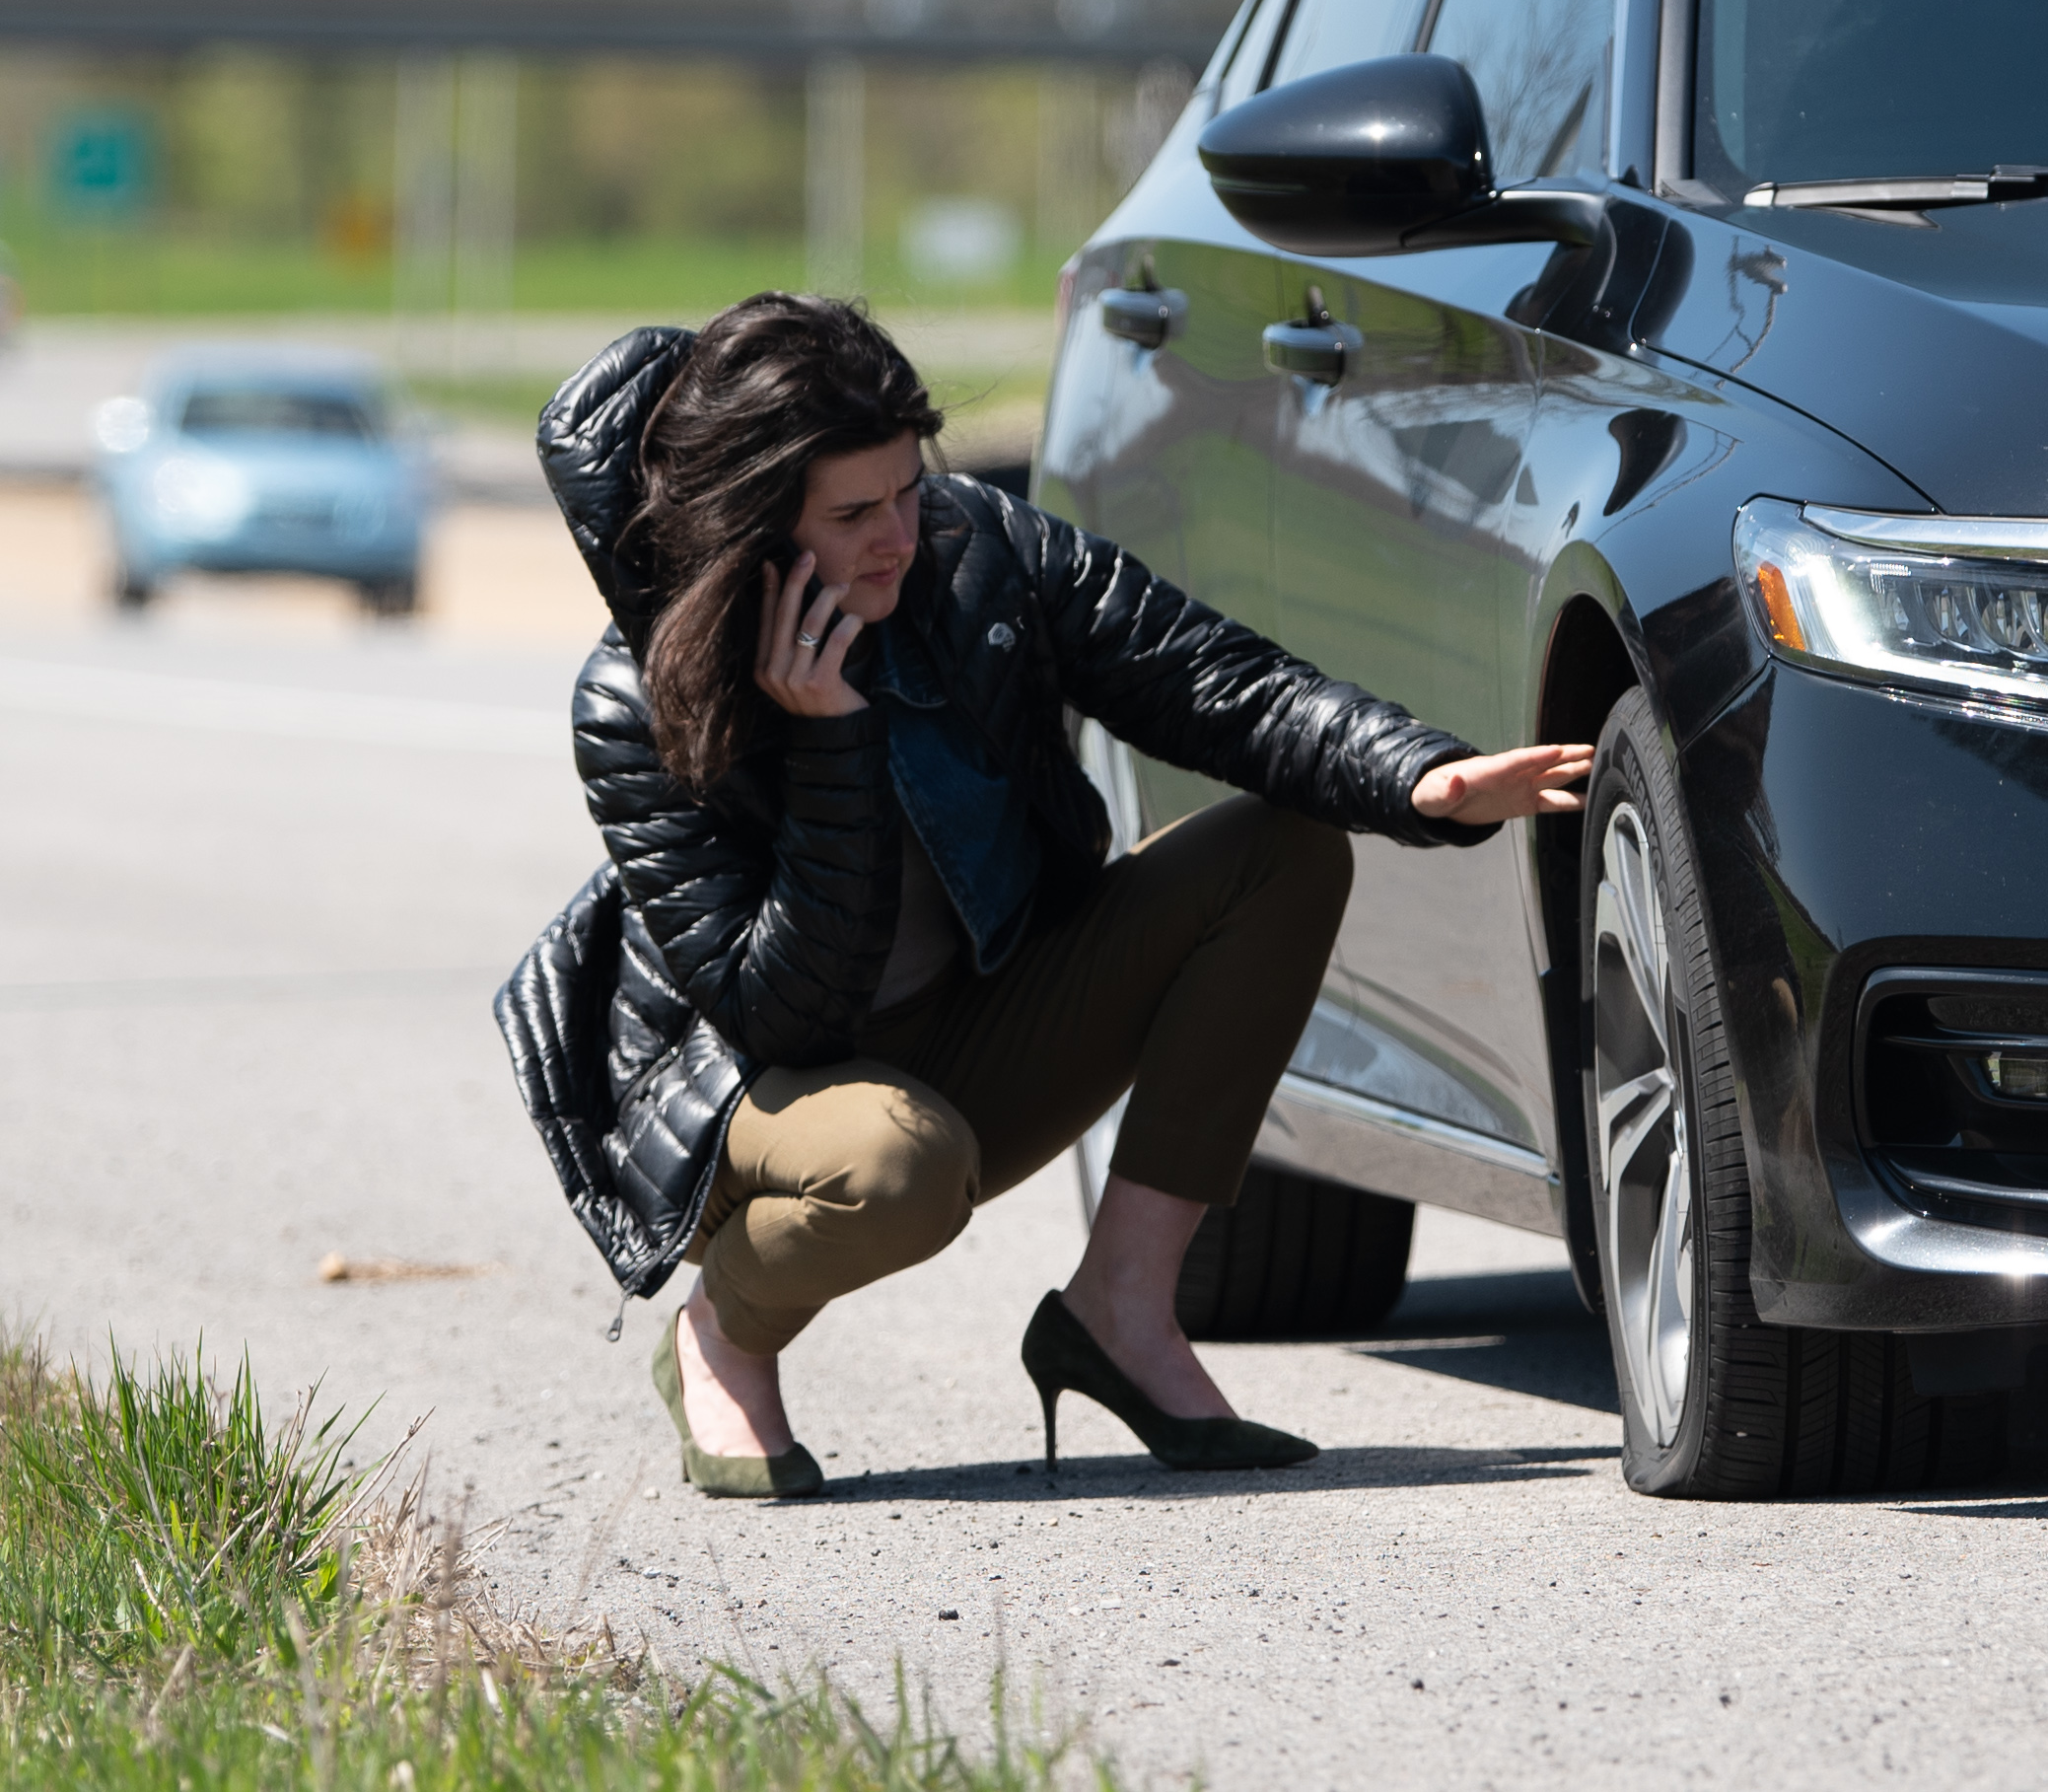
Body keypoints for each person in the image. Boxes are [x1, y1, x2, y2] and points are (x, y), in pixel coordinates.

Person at [496, 292, 1591, 1500]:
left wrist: (1416, 774)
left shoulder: (980, 549)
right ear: (752, 529)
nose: (899, 535)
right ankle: (726, 1332)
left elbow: (1211, 680)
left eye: (908, 488)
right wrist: (828, 748)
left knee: (1284, 849)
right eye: (853, 513)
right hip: (780, 1096)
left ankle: (1121, 1308)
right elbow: (782, 1016)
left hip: (983, 1026)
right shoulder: (633, 705)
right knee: (897, 1166)